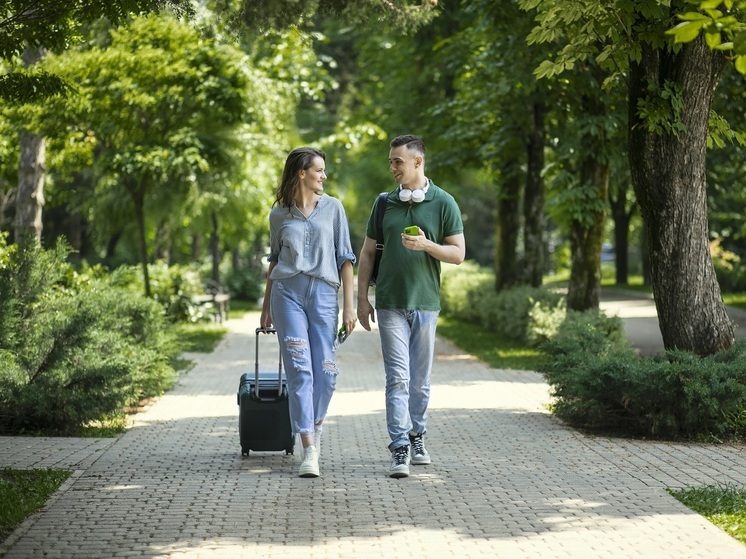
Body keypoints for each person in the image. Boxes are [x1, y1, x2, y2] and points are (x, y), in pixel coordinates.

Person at [356, 135, 465, 478]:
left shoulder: (444, 202)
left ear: (417, 161)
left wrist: (427, 245)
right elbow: (368, 252)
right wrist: (361, 299)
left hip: (426, 303)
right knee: (398, 379)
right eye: (390, 162)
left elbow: (458, 254)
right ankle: (400, 446)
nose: (392, 168)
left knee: (420, 382)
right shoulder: (384, 202)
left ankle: (418, 435)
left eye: (397, 162)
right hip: (389, 302)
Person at [260, 147, 356, 478]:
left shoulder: (334, 209)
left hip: (324, 297)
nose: (324, 176)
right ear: (302, 173)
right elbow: (274, 260)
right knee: (301, 370)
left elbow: (345, 258)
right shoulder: (279, 215)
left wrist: (350, 306)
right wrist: (265, 307)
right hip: (287, 294)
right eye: (319, 170)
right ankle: (309, 448)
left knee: (326, 373)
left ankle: (312, 426)